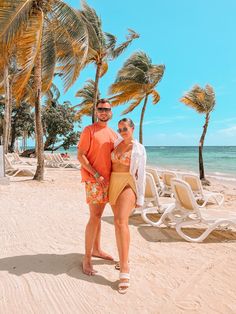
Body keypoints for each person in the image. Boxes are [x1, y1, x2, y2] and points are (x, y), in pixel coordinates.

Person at [77, 99, 118, 276]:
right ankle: (87, 258)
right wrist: (96, 175)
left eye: (106, 110)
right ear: (96, 111)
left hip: (109, 181)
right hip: (94, 180)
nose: (103, 112)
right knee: (94, 217)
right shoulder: (89, 130)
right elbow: (80, 156)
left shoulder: (114, 134)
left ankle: (97, 249)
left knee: (99, 216)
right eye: (100, 109)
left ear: (111, 112)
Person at [109, 118, 146, 294]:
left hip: (127, 183)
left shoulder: (138, 149)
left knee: (121, 222)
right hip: (112, 183)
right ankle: (124, 258)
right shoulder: (116, 143)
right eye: (120, 129)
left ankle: (125, 268)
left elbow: (142, 174)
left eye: (125, 128)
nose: (122, 131)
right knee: (117, 224)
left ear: (132, 128)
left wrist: (141, 198)